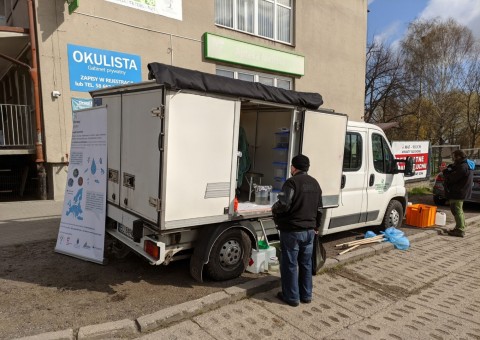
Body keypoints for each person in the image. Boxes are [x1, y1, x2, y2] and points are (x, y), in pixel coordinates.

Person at [272, 154, 322, 307]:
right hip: (309, 232)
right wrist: (316, 227)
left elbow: (283, 203)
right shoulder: (315, 184)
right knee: (306, 264)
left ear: (294, 167)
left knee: (290, 264)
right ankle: (306, 295)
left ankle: (291, 297)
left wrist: (274, 209)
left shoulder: (291, 182)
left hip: (292, 231)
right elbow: (319, 209)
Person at [442, 150, 473, 237]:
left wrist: (445, 172)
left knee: (456, 209)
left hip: (458, 191)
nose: (453, 158)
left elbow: (452, 178)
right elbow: (454, 170)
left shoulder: (463, 167)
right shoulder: (465, 164)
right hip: (460, 191)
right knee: (458, 209)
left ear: (459, 156)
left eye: (454, 156)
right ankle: (460, 226)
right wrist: (449, 168)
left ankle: (460, 229)